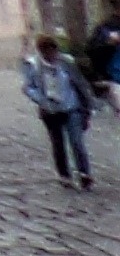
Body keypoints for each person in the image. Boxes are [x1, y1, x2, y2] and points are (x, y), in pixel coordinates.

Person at [24, 35, 97, 189]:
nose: (51, 55)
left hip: (71, 107)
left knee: (77, 142)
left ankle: (84, 173)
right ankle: (64, 175)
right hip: (50, 111)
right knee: (58, 144)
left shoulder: (66, 62)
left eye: (53, 51)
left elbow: (80, 83)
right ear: (41, 52)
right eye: (47, 52)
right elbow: (28, 87)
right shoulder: (34, 65)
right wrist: (41, 99)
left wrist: (88, 105)